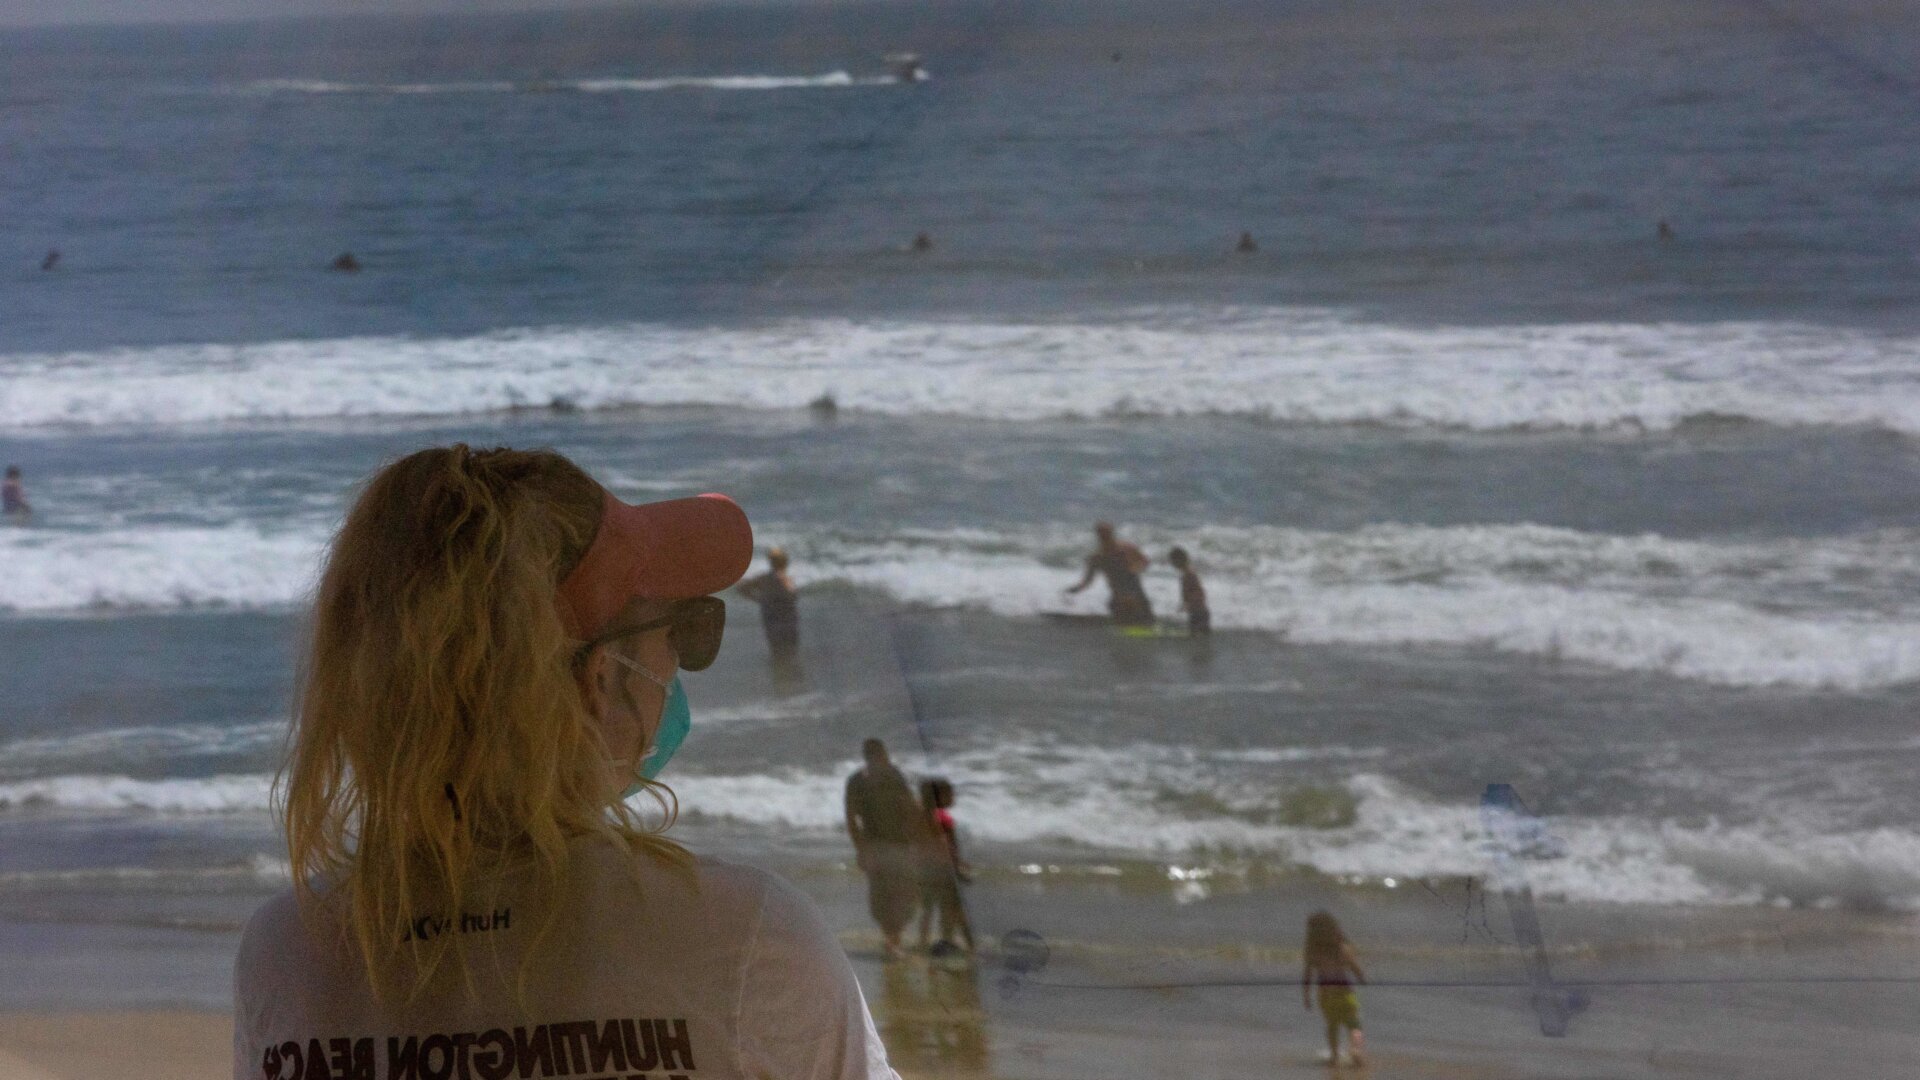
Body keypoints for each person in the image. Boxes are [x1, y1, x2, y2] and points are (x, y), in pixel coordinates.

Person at [233, 445, 899, 1080]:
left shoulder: (285, 956)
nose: (677, 667)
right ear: (599, 678)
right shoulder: (748, 941)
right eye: (683, 632)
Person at [845, 739, 928, 960]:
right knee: (893, 896)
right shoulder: (884, 776)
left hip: (886, 845)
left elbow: (851, 820)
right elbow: (911, 807)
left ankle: (893, 940)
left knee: (894, 896)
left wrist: (861, 849)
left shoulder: (869, 779)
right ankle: (893, 941)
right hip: (890, 845)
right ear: (880, 754)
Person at [1302, 911, 1367, 1067]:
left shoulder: (1313, 953)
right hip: (1346, 992)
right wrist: (1361, 978)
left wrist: (1306, 996)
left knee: (1332, 1025)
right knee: (1354, 1024)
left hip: (1326, 995)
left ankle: (1334, 1055)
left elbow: (1308, 976)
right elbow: (1354, 966)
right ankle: (1356, 1051)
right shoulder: (1342, 948)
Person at [916, 778, 973, 956]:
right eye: (950, 793)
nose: (953, 797)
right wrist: (958, 867)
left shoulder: (921, 816)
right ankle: (969, 946)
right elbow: (947, 846)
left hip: (925, 869)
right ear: (939, 797)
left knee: (928, 909)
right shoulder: (943, 818)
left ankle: (923, 944)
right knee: (955, 909)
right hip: (944, 870)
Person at [1065, 521, 1153, 627]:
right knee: (1122, 615)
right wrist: (1074, 589)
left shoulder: (1126, 548)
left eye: (1107, 534)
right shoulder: (1097, 558)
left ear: (1111, 534)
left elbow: (1145, 561)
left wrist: (1136, 567)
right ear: (1098, 536)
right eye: (1102, 535)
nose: (1104, 537)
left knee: (1143, 617)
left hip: (1136, 594)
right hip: (1118, 597)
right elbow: (1088, 581)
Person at [736, 546, 800, 663]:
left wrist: (758, 599)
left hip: (771, 618)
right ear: (785, 563)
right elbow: (793, 597)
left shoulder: (764, 578)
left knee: (776, 650)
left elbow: (741, 588)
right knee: (789, 651)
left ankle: (779, 673)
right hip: (786, 619)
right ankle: (785, 675)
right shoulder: (786, 580)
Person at [1167, 546, 1209, 637]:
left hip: (1199, 612)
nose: (1171, 564)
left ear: (1177, 561)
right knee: (1199, 638)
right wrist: (1185, 604)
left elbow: (1199, 593)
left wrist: (1189, 603)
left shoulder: (1189, 575)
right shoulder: (1186, 574)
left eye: (1172, 561)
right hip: (1198, 611)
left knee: (1197, 636)